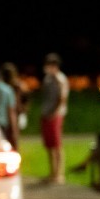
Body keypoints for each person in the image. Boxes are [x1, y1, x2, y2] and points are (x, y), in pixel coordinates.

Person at [38, 52, 70, 183]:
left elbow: (62, 98)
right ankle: (52, 172)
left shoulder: (60, 79)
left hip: (55, 115)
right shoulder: (47, 79)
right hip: (46, 113)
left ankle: (59, 174)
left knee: (57, 144)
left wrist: (54, 113)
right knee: (49, 145)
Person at [0, 61, 29, 132]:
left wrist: (23, 111)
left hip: (15, 113)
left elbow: (26, 99)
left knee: (13, 134)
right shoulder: (2, 86)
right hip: (4, 114)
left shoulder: (18, 86)